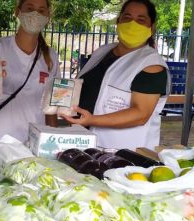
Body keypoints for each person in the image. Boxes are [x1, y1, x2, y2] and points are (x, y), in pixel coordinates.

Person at [61, 0, 170, 151]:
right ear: (118, 22)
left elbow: (141, 114)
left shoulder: (151, 65)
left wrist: (92, 120)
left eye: (141, 20)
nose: (132, 24)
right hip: (84, 143)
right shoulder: (103, 52)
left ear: (151, 28)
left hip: (123, 154)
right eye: (127, 17)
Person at [0, 0, 60, 144]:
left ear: (48, 16)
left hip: (35, 142)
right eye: (30, 8)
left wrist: (53, 140)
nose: (35, 14)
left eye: (41, 10)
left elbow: (51, 106)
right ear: (18, 12)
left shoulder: (51, 57)